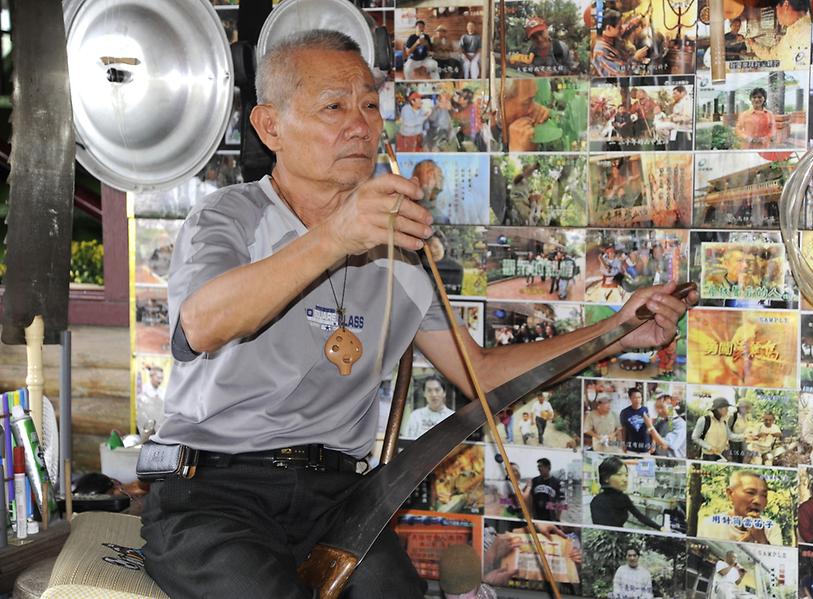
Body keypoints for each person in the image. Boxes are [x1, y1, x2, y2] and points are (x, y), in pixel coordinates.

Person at [142, 29, 693, 599]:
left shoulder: (402, 253)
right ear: (269, 127)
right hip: (214, 491)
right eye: (333, 106)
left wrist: (619, 331)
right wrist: (336, 235)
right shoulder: (229, 217)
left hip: (337, 500)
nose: (360, 124)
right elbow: (202, 324)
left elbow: (478, 373)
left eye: (369, 106)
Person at [696, 470, 784, 545]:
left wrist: (762, 539)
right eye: (750, 492)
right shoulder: (709, 525)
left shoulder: (771, 528)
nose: (758, 501)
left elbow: (777, 563)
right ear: (730, 494)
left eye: (764, 495)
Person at [590, 457, 661, 530]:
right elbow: (601, 531)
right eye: (619, 474)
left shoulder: (624, 498)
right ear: (606, 478)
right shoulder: (597, 502)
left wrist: (660, 528)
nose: (625, 479)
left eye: (626, 475)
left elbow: (639, 516)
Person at [744, 0, 810, 70]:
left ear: (786, 5)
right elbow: (772, 55)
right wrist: (753, 44)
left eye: (776, 9)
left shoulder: (805, 31)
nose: (777, 15)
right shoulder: (793, 30)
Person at [500, 79, 551, 151]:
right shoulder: (484, 140)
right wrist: (517, 152)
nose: (534, 108)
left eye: (533, 99)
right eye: (527, 102)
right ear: (501, 101)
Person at [427, 229, 463, 294]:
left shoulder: (456, 268)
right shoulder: (420, 266)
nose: (432, 251)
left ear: (444, 246)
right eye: (429, 247)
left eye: (436, 247)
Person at [620, 387, 652, 453]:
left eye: (639, 397)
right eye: (635, 397)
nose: (637, 400)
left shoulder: (647, 410)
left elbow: (652, 428)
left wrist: (653, 443)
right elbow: (623, 429)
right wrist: (623, 444)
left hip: (645, 447)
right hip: (631, 447)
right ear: (630, 398)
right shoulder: (624, 412)